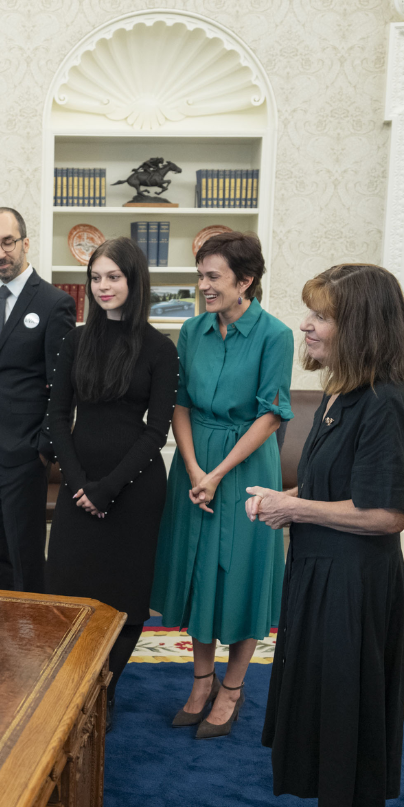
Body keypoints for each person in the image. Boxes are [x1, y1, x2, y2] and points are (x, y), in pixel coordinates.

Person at [248, 264, 404, 807]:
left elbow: (386, 515)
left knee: (346, 724)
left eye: (321, 316)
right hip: (319, 573)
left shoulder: (386, 403)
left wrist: (293, 506)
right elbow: (334, 485)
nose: (305, 325)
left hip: (352, 584)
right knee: (323, 716)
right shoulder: (341, 394)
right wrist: (285, 502)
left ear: (362, 328)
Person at [149, 231, 293, 739]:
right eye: (200, 275)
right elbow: (180, 402)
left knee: (241, 577)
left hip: (248, 467)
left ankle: (232, 688)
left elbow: (272, 415)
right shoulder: (191, 331)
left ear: (245, 281)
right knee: (198, 574)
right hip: (194, 465)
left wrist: (216, 473)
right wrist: (191, 468)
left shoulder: (275, 335)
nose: (203, 285)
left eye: (213, 277)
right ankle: (200, 680)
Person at [44, 237, 178, 711]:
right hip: (80, 483)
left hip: (134, 489)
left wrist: (107, 488)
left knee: (125, 600)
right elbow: (58, 417)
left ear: (133, 280)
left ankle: (105, 690)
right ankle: (75, 681)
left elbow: (156, 432)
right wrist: (79, 483)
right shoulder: (74, 340)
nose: (103, 286)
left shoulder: (161, 349)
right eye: (96, 278)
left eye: (113, 277)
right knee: (64, 589)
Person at [0, 207, 75, 593]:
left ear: (25, 243)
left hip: (25, 451)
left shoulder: (54, 303)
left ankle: (34, 644)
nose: (0, 253)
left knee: (25, 554)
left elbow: (63, 384)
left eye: (8, 242)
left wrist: (45, 447)